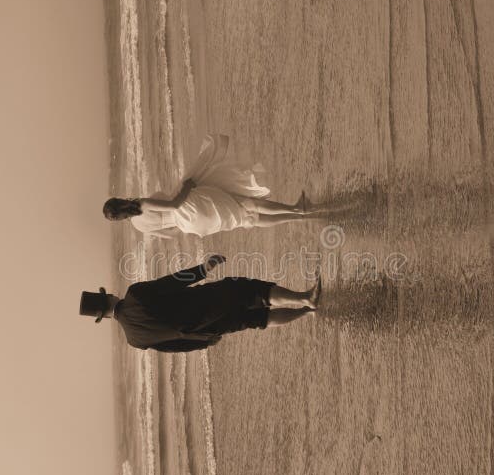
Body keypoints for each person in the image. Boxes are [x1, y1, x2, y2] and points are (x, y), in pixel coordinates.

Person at [102, 134, 328, 239]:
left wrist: (183, 222)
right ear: (121, 201)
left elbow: (171, 234)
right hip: (190, 206)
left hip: (193, 225)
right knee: (250, 205)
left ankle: (297, 218)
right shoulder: (141, 204)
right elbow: (173, 204)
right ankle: (297, 208)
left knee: (248, 220)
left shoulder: (139, 227)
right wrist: (187, 187)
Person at [79, 254, 321, 352]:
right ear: (108, 297)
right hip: (207, 301)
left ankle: (304, 313)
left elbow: (173, 347)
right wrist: (202, 270)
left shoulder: (135, 341)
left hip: (205, 331)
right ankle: (304, 298)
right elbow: (172, 282)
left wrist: (204, 344)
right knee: (256, 292)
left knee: (256, 320)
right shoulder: (134, 295)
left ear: (105, 317)